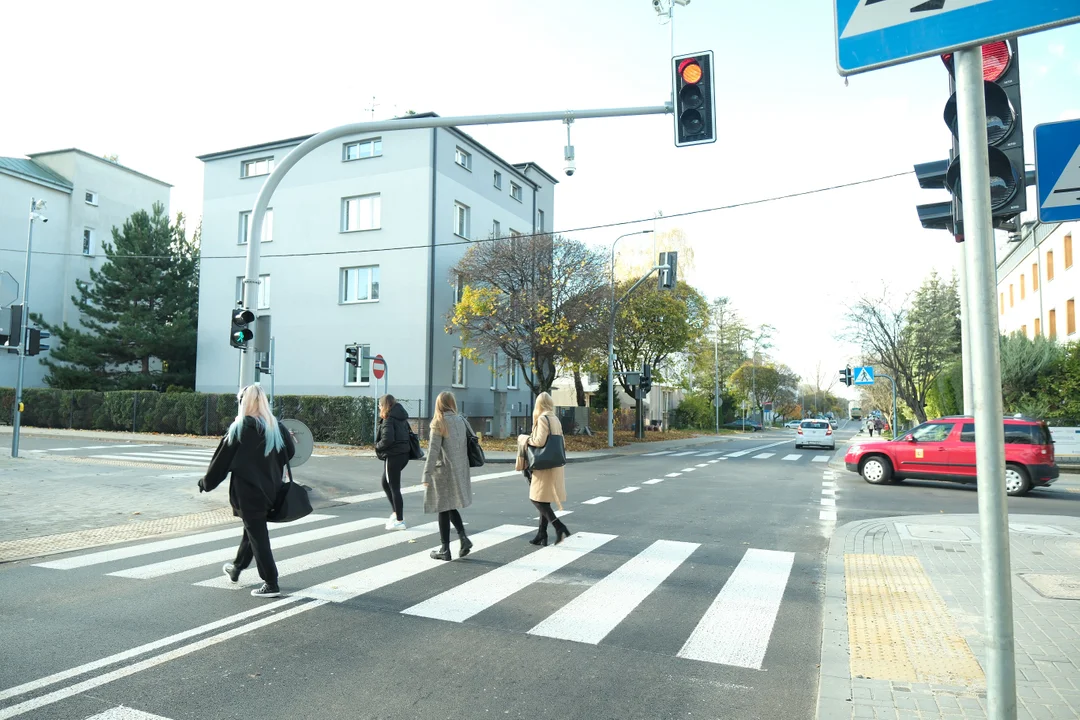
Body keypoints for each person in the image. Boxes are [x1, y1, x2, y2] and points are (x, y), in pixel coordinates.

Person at [199, 384, 295, 598]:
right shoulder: (276, 428)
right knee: (252, 530)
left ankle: (271, 582)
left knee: (258, 536)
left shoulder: (239, 428)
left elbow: (220, 464)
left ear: (244, 402)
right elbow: (291, 452)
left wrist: (206, 483)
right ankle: (236, 568)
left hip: (248, 494)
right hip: (271, 490)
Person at [421, 391, 474, 561]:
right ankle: (463, 538)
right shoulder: (461, 420)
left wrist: (426, 474)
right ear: (452, 403)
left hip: (443, 471)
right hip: (459, 469)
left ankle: (445, 549)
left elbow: (433, 451)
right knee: (450, 506)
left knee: (442, 508)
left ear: (439, 404)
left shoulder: (439, 422)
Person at [518, 392, 571, 547]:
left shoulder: (542, 419)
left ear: (539, 404)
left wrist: (524, 439)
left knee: (536, 498)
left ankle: (558, 526)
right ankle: (542, 534)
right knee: (544, 499)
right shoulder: (555, 418)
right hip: (554, 464)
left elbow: (539, 441)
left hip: (543, 465)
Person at [376, 394, 412, 531]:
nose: (379, 408)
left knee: (394, 487)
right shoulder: (401, 417)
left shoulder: (389, 419)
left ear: (384, 405)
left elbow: (387, 440)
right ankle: (396, 513)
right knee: (386, 483)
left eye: (379, 405)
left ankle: (399, 520)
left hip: (393, 456)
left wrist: (377, 446)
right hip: (403, 454)